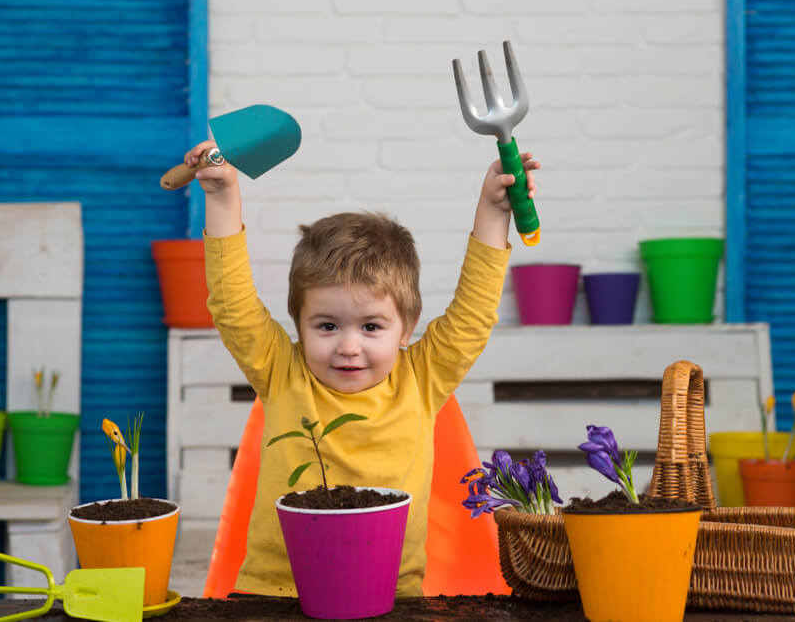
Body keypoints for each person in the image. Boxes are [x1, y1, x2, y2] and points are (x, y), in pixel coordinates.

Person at [184, 140, 540, 597]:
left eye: (371, 326)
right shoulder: (280, 370)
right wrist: (222, 198)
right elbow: (232, 305)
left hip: (389, 596)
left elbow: (472, 314)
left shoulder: (422, 378)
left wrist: (494, 212)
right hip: (274, 594)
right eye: (328, 325)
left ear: (406, 328)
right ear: (299, 324)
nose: (348, 347)